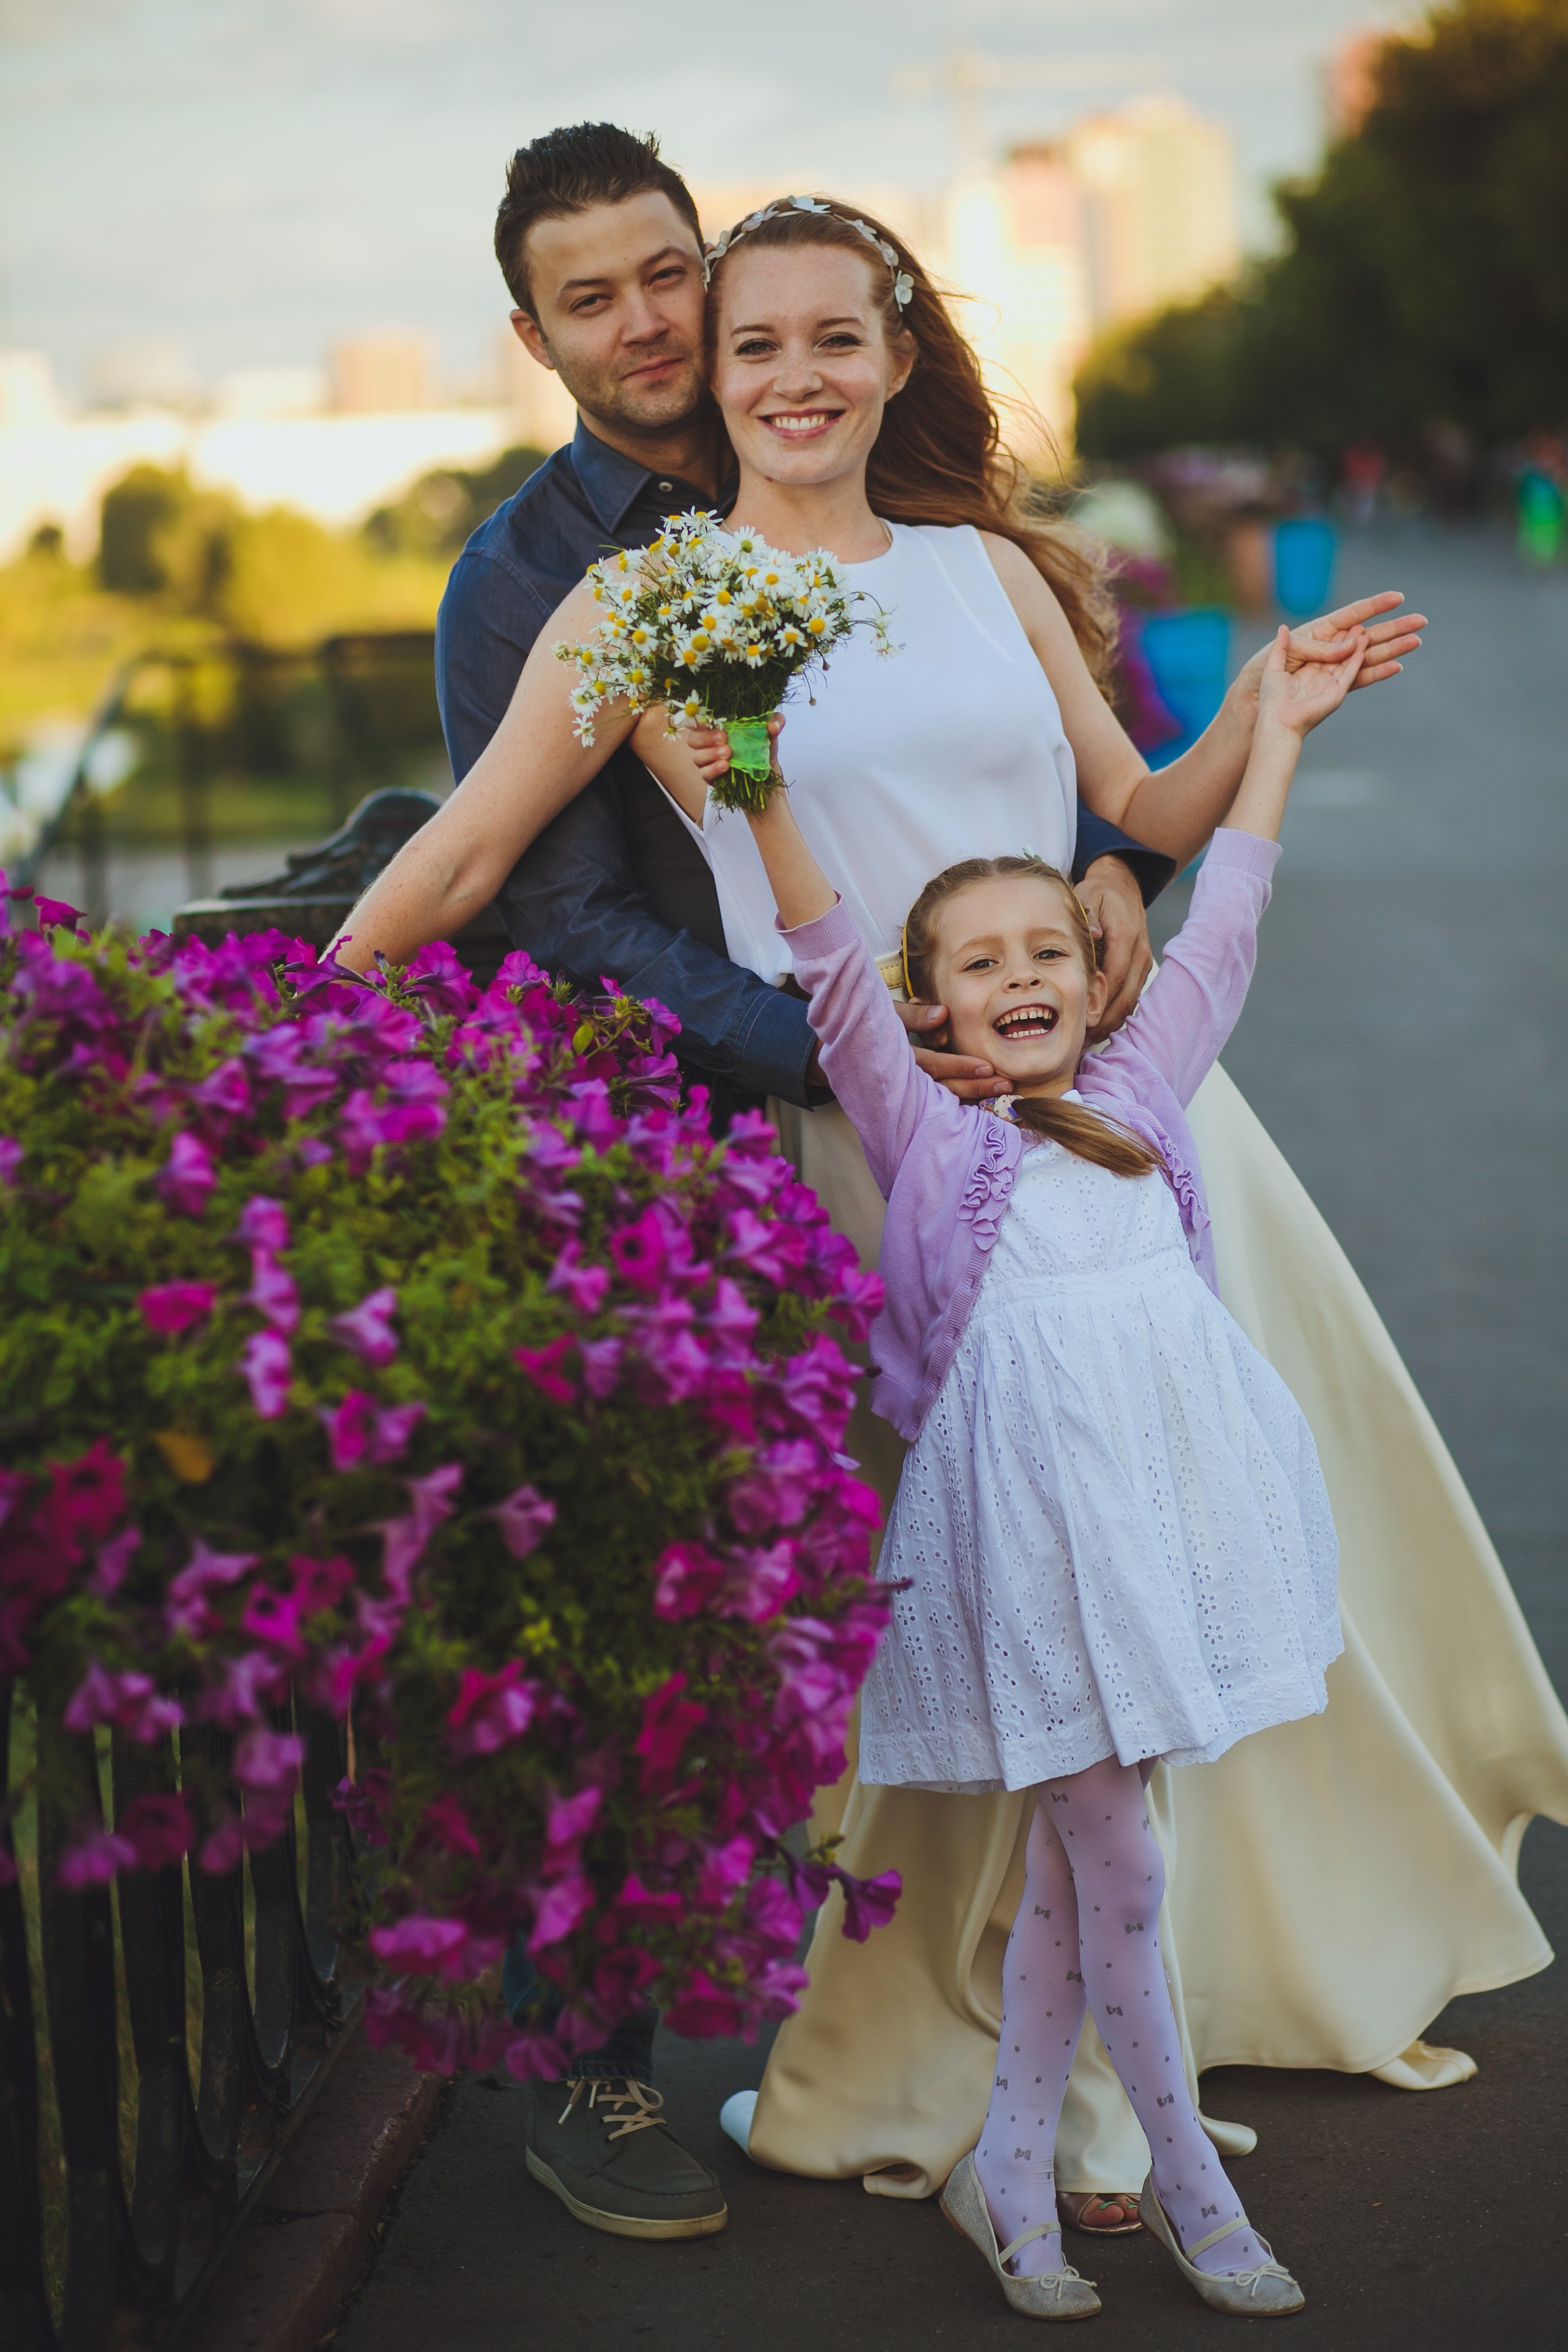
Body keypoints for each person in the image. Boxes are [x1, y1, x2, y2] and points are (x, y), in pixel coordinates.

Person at [334, 172, 1568, 2239]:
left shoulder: (993, 565)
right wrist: (276, 1034)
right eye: (752, 346)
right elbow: (462, 867)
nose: (793, 376)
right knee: (1006, 1613)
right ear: (703, 384)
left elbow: (1135, 815)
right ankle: (1000, 2057)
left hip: (1128, 1132)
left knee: (1179, 1564)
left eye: (834, 338)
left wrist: (1266, 712)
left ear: (899, 356)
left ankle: (1140, 2023)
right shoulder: (645, 604)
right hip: (895, 1160)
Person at [670, 614, 1363, 2313]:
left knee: (1077, 1869)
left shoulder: (1146, 1088)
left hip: (1168, 1512)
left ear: (1093, 969)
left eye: (1044, 946)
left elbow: (1240, 906)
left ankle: (1012, 2169)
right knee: (1119, 1855)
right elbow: (827, 952)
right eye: (977, 963)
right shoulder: (928, 1129)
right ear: (933, 1008)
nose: (1021, 976)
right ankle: (1193, 2183)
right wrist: (757, 783)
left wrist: (1280, 726)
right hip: (1031, 1538)